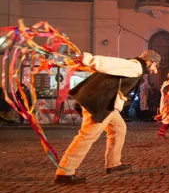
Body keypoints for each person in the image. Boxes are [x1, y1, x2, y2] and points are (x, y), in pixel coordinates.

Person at [55, 50, 161, 185]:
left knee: (119, 128)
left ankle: (113, 163)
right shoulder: (135, 66)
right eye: (155, 66)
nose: (155, 71)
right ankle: (65, 172)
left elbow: (104, 70)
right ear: (150, 62)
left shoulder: (134, 66)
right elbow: (109, 63)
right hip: (99, 103)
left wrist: (81, 64)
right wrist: (88, 59)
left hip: (107, 104)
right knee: (87, 136)